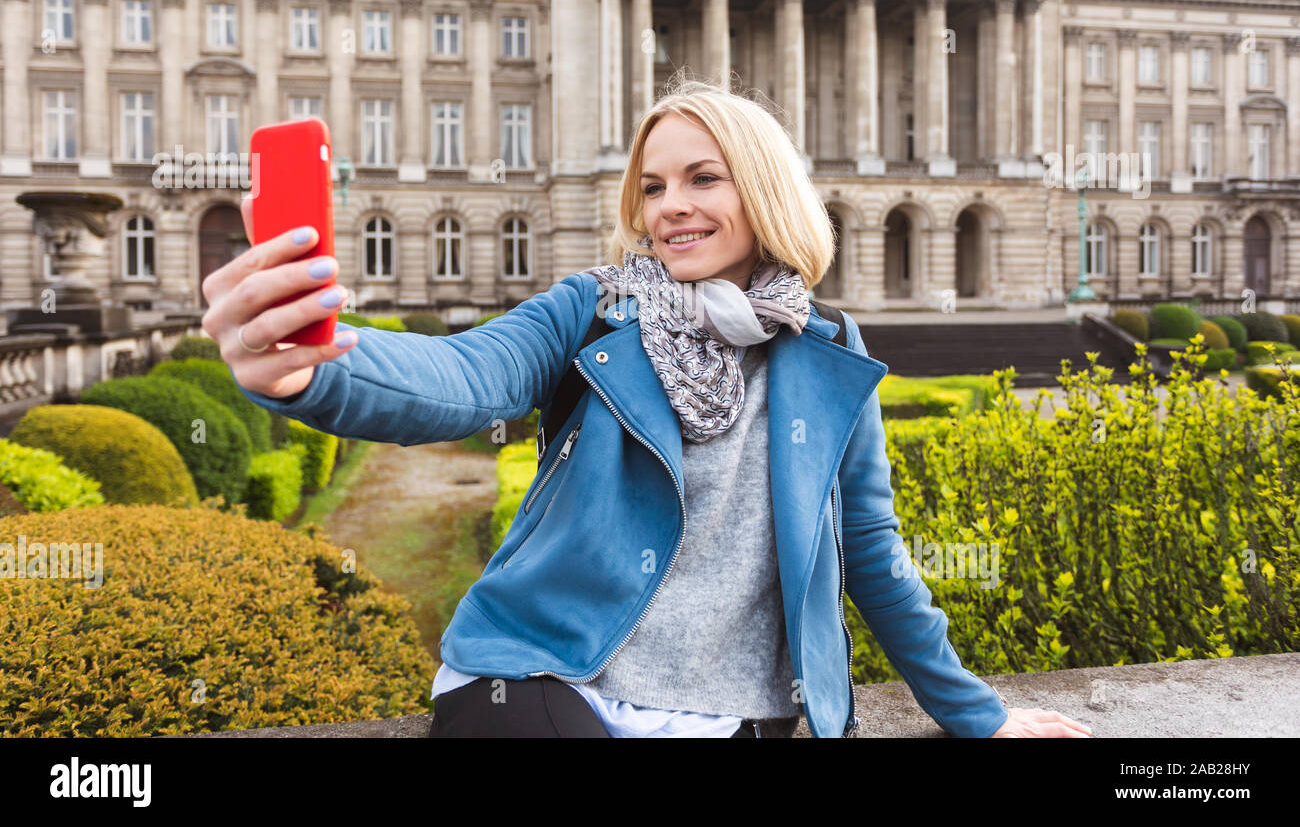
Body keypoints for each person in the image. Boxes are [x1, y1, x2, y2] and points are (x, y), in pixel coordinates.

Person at [203, 73, 1092, 739]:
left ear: (763, 190)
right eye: (653, 186)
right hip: (549, 681)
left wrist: (979, 715)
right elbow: (462, 380)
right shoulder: (593, 309)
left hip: (745, 710)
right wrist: (312, 370)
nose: (670, 208)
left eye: (703, 179)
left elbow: (871, 553)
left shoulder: (829, 349)